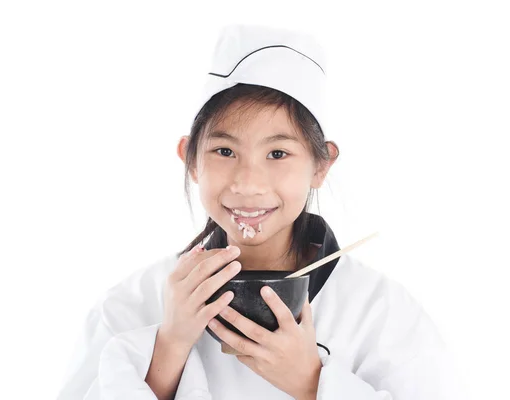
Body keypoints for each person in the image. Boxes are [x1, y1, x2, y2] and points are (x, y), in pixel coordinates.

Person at [56, 24, 468, 400]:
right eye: (224, 151)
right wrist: (170, 347)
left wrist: (311, 382)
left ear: (321, 165)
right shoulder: (132, 303)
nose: (248, 183)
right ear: (191, 160)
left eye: (277, 153)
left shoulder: (381, 312)